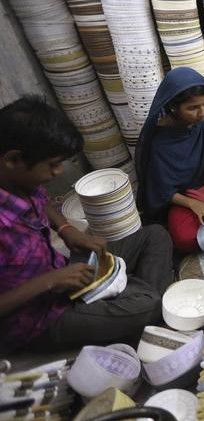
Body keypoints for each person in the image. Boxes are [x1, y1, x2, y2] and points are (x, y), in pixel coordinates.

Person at [0, 96, 173, 351]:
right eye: (53, 164)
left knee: (155, 235)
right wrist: (49, 281)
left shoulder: (20, 181)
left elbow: (42, 201)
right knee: (145, 304)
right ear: (13, 159)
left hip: (63, 271)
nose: (58, 172)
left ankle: (130, 302)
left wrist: (66, 229)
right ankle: (137, 303)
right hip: (39, 318)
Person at [135, 68, 204, 254]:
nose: (202, 112)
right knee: (184, 238)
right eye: (192, 108)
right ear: (173, 108)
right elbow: (161, 192)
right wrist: (194, 204)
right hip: (186, 197)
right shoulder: (160, 142)